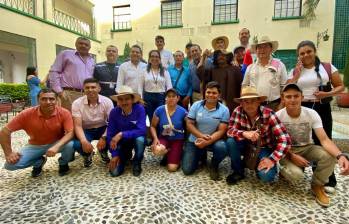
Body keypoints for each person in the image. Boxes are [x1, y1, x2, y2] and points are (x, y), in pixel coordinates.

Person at [276, 83, 349, 207]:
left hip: (307, 147)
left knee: (329, 156)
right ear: (283, 98)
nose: (292, 100)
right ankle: (283, 172)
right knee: (296, 175)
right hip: (287, 150)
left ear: (302, 97)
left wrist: (341, 155)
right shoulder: (278, 116)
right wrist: (291, 156)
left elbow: (324, 139)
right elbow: (276, 143)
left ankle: (317, 185)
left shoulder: (311, 113)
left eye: (296, 96)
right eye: (288, 97)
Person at [287, 40, 345, 193]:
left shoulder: (327, 67)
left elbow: (340, 85)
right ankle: (303, 168)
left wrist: (327, 93)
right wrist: (296, 75)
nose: (306, 55)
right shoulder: (295, 70)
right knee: (302, 140)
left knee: (324, 139)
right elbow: (287, 88)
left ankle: (327, 179)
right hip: (301, 107)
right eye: (302, 53)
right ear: (298, 56)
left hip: (321, 106)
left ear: (314, 51)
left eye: (308, 51)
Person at [0, 89, 75, 177]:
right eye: (44, 99)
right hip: (35, 145)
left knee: (70, 145)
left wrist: (56, 146)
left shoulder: (64, 113)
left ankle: (63, 163)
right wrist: (9, 153)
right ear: (38, 100)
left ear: (56, 100)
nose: (48, 102)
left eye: (51, 99)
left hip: (57, 142)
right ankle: (38, 161)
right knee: (10, 165)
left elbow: (70, 132)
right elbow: (4, 132)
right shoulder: (26, 114)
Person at [226, 86, 291, 185]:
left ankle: (257, 163)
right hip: (245, 145)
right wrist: (244, 133)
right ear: (241, 103)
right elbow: (230, 130)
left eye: (253, 101)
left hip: (263, 147)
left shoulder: (269, 114)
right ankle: (238, 171)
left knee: (266, 176)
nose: (249, 104)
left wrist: (272, 159)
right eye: (246, 101)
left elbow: (285, 140)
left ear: (258, 102)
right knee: (231, 142)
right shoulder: (238, 110)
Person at [182, 81, 229, 181]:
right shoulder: (196, 105)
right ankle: (201, 155)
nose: (210, 95)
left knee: (222, 147)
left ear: (219, 95)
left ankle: (214, 165)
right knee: (187, 170)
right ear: (204, 93)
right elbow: (189, 124)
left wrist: (208, 140)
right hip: (195, 139)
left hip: (213, 139)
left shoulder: (224, 110)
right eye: (208, 92)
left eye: (214, 93)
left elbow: (221, 130)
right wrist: (201, 136)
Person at [72, 78, 114, 168]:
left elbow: (112, 122)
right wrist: (83, 141)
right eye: (87, 88)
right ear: (84, 89)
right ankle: (87, 154)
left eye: (93, 87)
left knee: (112, 137)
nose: (90, 90)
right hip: (86, 129)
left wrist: (103, 137)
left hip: (103, 127)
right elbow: (77, 125)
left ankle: (103, 151)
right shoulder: (77, 103)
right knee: (76, 144)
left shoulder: (107, 101)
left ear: (99, 88)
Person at [107, 85, 146, 177]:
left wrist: (121, 134)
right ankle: (124, 157)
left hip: (134, 140)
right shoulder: (114, 112)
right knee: (114, 172)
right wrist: (115, 154)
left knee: (140, 140)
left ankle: (137, 161)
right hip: (121, 143)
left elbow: (142, 130)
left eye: (127, 99)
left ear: (132, 100)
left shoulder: (139, 109)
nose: (124, 102)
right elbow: (110, 135)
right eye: (121, 99)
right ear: (118, 101)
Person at [49, 37, 95, 111]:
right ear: (76, 44)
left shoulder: (92, 60)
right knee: (69, 119)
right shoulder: (66, 54)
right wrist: (59, 91)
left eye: (86, 45)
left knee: (83, 120)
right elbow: (54, 71)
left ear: (89, 47)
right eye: (80, 43)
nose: (83, 46)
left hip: (86, 94)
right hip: (69, 94)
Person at [242, 36, 287, 111]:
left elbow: (284, 87)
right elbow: (244, 86)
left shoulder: (279, 65)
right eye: (259, 47)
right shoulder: (250, 67)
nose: (262, 50)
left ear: (271, 49)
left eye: (265, 47)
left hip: (275, 105)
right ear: (256, 50)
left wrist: (281, 105)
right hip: (255, 105)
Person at [150, 88, 187, 172]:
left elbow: (190, 125)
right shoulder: (159, 110)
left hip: (177, 140)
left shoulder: (183, 111)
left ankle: (177, 153)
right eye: (168, 96)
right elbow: (152, 126)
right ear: (165, 98)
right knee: (157, 150)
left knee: (172, 168)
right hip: (164, 138)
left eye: (173, 96)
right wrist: (155, 139)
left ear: (178, 98)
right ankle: (168, 152)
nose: (171, 98)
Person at [198, 49, 242, 113]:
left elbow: (241, 86)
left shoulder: (236, 69)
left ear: (228, 57)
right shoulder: (212, 70)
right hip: (215, 103)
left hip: (232, 104)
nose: (221, 57)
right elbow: (200, 72)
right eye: (219, 55)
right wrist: (203, 57)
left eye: (224, 55)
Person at [140, 50, 172, 121]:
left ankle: (159, 132)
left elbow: (169, 86)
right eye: (152, 56)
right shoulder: (144, 71)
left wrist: (168, 98)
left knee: (160, 118)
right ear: (149, 59)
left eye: (157, 57)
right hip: (148, 98)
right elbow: (140, 86)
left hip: (161, 97)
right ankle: (152, 132)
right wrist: (140, 99)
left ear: (160, 59)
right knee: (151, 118)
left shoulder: (165, 71)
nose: (155, 58)